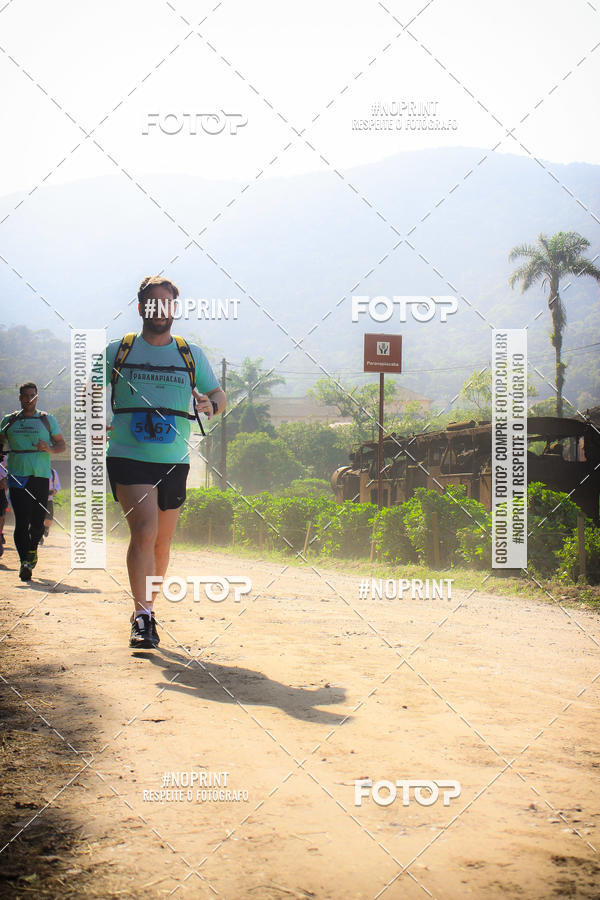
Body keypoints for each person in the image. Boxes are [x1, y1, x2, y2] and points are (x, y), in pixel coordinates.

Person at [105, 276, 226, 649]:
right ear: (142, 308)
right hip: (128, 454)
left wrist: (211, 405)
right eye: (153, 303)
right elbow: (88, 390)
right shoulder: (117, 351)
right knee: (144, 529)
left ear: (175, 308)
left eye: (167, 303)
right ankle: (142, 617)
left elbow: (218, 396)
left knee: (162, 541)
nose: (160, 309)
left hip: (174, 459)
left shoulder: (191, 354)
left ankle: (148, 610)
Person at [0, 383, 66, 580]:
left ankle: (32, 550)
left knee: (37, 522)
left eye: (32, 396)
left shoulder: (47, 420)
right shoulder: (9, 421)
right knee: (22, 521)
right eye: (25, 396)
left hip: (40, 476)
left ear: (36, 398)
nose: (28, 399)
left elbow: (62, 445)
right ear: (19, 398)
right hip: (17, 476)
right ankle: (25, 563)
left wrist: (49, 449)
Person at [40, 467, 61, 544]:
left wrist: (55, 490)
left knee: (49, 518)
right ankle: (39, 537)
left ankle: (46, 528)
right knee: (38, 518)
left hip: (49, 498)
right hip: (38, 498)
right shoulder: (35, 470)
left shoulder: (52, 472)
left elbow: (58, 484)